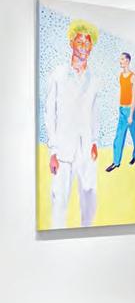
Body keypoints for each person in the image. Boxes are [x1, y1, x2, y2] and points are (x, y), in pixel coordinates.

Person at [43, 19, 102, 229]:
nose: (84, 47)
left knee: (89, 201)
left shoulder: (94, 80)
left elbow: (94, 113)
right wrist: (53, 150)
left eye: (87, 43)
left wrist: (94, 141)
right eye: (80, 42)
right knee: (59, 201)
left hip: (86, 149)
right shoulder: (58, 75)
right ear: (71, 43)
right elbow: (50, 113)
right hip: (62, 151)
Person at [105, 52, 135, 172]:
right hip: (122, 110)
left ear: (128, 61)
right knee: (119, 137)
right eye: (120, 59)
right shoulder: (120, 76)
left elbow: (134, 97)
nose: (120, 61)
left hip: (130, 111)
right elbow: (123, 92)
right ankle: (116, 162)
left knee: (134, 136)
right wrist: (120, 107)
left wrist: (131, 114)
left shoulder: (133, 77)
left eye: (122, 59)